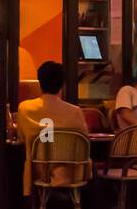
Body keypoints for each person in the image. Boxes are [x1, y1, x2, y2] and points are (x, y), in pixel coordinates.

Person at [16, 61, 89, 196]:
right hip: (69, 174)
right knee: (91, 168)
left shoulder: (25, 108)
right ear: (62, 84)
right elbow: (85, 140)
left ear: (40, 82)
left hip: (38, 172)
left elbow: (20, 137)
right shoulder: (74, 111)